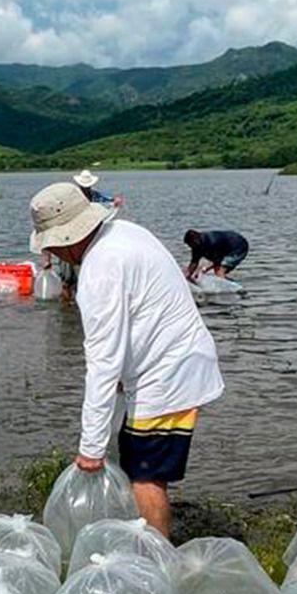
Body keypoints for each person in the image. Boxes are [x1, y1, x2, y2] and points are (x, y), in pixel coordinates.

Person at [30, 183, 224, 536]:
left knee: (144, 475)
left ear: (70, 238)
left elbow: (102, 362)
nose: (52, 251)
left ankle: (156, 557)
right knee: (137, 457)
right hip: (173, 361)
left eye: (53, 244)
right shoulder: (122, 232)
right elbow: (139, 312)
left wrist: (91, 448)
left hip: (167, 374)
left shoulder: (100, 269)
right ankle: (147, 544)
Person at [184, 229, 249, 281]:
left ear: (195, 241)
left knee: (219, 270)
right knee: (217, 270)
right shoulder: (196, 247)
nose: (190, 247)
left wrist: (203, 270)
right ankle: (229, 282)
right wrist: (188, 276)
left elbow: (217, 261)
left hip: (238, 246)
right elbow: (194, 263)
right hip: (225, 248)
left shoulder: (211, 242)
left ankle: (226, 288)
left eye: (190, 244)